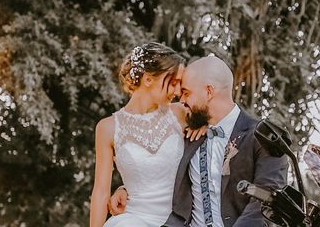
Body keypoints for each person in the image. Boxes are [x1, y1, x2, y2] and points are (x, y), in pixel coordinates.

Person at [110, 55, 289, 226]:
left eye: (187, 93)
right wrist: (129, 191)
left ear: (209, 92)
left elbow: (267, 200)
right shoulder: (189, 133)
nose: (182, 100)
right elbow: (158, 169)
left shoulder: (262, 138)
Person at [90, 42, 203, 227]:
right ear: (148, 79)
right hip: (134, 219)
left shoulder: (181, 114)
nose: (177, 92)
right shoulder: (107, 128)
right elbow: (101, 192)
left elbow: (217, 124)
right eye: (173, 83)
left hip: (179, 219)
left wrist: (205, 126)